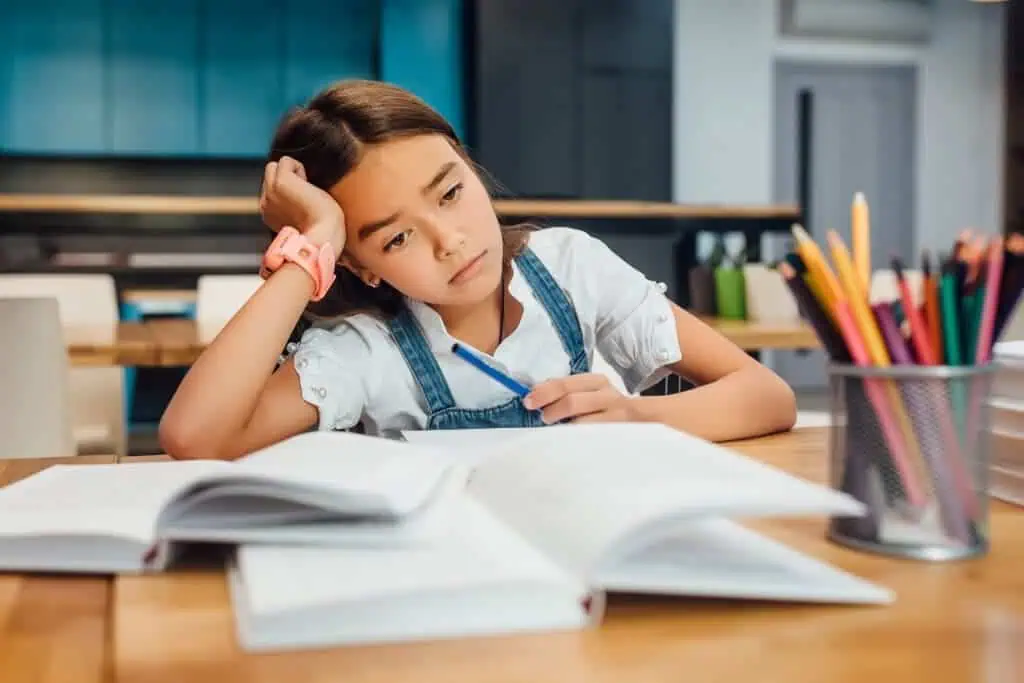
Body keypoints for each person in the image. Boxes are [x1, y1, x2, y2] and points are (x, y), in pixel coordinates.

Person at [159, 80, 796, 460]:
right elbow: (195, 437)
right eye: (398, 237)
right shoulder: (366, 351)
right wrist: (312, 244)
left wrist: (637, 418)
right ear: (361, 266)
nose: (450, 241)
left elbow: (768, 396)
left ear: (470, 167)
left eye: (450, 192)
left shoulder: (571, 268)